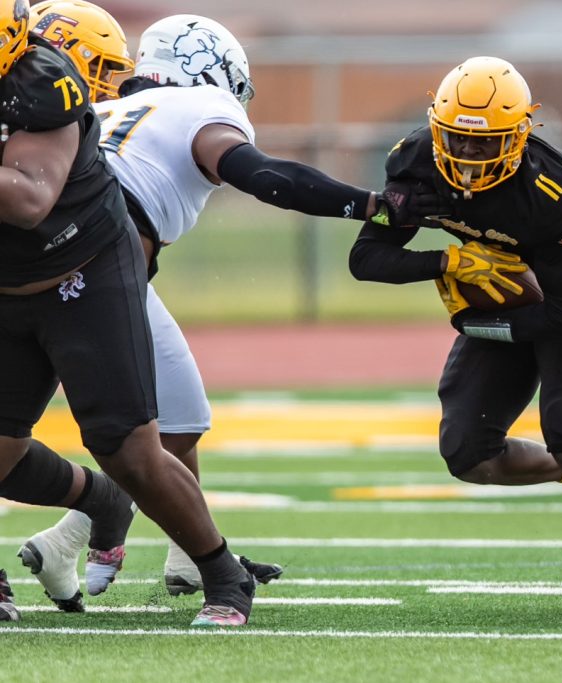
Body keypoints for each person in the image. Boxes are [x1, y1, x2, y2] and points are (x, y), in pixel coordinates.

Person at [18, 5, 437, 610]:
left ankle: (180, 552)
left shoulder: (100, 109)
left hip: (68, 267)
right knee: (125, 437)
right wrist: (370, 203)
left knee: (180, 418)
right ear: (215, 72)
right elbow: (264, 175)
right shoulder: (196, 108)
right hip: (90, 275)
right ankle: (122, 539)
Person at [349, 55, 562, 615]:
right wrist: (449, 262)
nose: (468, 157)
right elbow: (366, 258)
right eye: (458, 141)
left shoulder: (551, 188)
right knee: (468, 452)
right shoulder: (416, 159)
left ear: (519, 135)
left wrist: (478, 324)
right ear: (437, 128)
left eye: (485, 143)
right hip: (501, 297)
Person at [0, 0, 255, 627]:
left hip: (85, 274)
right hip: (8, 285)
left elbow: (31, 198)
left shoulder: (43, 82)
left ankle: (223, 575)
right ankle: (98, 502)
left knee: (129, 447)